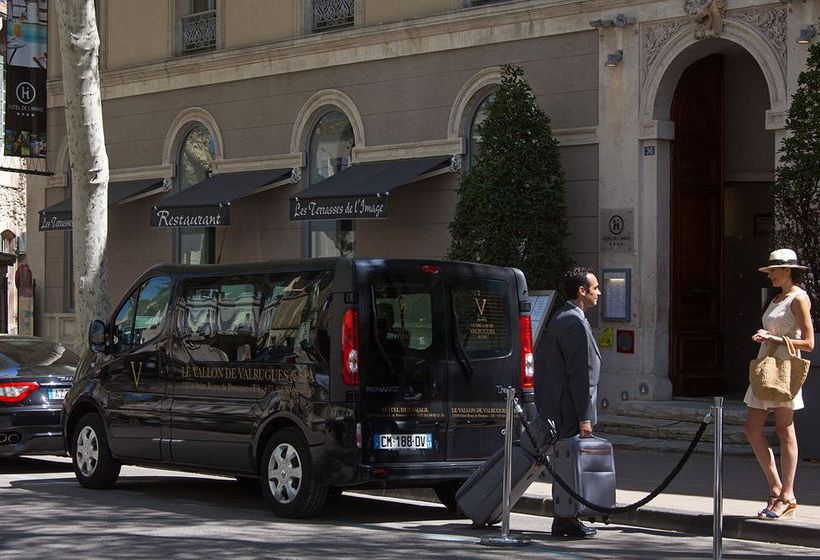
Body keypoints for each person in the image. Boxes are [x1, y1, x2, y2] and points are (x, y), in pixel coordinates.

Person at [744, 248, 814, 520]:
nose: (770, 274)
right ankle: (776, 487)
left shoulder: (798, 298)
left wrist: (773, 339)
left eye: (774, 270)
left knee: (785, 430)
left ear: (787, 270)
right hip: (766, 366)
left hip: (784, 367)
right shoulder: (776, 298)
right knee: (752, 428)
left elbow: (809, 343)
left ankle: (787, 493)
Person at [535, 265, 601, 538]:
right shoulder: (572, 321)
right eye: (595, 288)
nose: (599, 292)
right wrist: (584, 417)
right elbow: (578, 374)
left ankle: (567, 517)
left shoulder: (568, 317)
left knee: (567, 464)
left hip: (566, 407)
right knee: (568, 465)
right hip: (570, 410)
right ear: (581, 291)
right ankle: (566, 520)